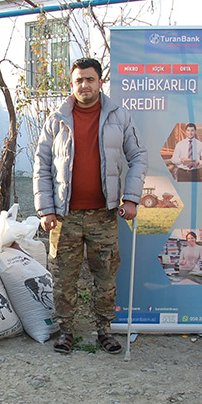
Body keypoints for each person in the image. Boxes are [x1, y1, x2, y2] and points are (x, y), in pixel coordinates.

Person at [33, 57, 148, 355]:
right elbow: (41, 164)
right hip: (64, 217)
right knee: (63, 277)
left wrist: (131, 198)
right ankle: (66, 331)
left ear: (100, 82)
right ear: (71, 84)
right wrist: (45, 209)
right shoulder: (57, 119)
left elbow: (138, 156)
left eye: (90, 79)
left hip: (103, 215)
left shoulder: (119, 117)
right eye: (78, 80)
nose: (84, 85)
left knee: (105, 277)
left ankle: (104, 331)